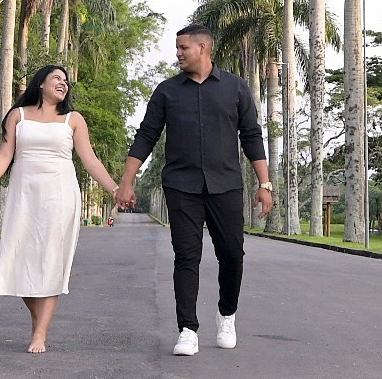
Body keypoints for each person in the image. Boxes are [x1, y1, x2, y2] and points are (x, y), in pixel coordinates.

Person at [116, 25, 271, 356]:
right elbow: (146, 135)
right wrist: (127, 181)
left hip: (226, 185)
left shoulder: (235, 88)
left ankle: (226, 314)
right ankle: (188, 329)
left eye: (183, 47)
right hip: (181, 185)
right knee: (187, 256)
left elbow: (252, 136)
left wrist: (264, 184)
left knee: (232, 254)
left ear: (203, 47)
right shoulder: (167, 91)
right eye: (177, 48)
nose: (178, 53)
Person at [0, 65, 120, 353]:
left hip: (60, 195)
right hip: (24, 194)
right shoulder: (18, 116)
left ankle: (40, 334)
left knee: (52, 261)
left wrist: (116, 190)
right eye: (57, 78)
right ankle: (39, 319)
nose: (63, 83)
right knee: (17, 260)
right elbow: (5, 153)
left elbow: (90, 159)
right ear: (40, 83)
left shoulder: (73, 119)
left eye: (66, 81)